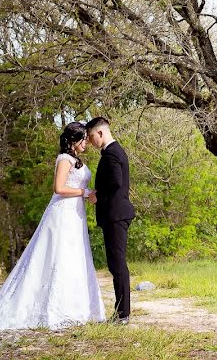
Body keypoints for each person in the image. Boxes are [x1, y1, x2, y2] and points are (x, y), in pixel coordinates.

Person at [0, 122, 105, 337]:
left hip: (74, 213)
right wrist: (84, 192)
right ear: (72, 141)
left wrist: (88, 195)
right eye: (82, 139)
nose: (85, 143)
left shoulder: (77, 161)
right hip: (61, 213)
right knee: (57, 257)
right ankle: (51, 309)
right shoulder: (64, 159)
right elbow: (59, 188)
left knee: (73, 257)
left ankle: (76, 307)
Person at [86, 116, 135, 324]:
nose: (89, 142)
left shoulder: (113, 154)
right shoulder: (111, 152)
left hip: (116, 215)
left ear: (100, 133)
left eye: (90, 137)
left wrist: (98, 195)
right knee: (115, 264)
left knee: (118, 265)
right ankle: (121, 313)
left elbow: (116, 182)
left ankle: (123, 314)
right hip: (115, 215)